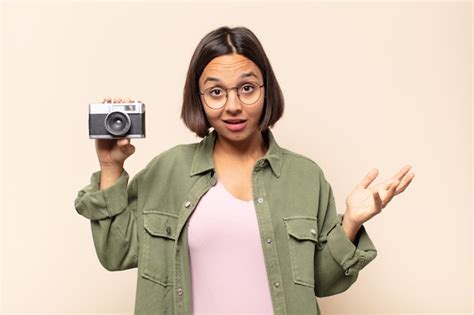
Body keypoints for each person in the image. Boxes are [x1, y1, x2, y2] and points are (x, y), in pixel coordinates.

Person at [74, 26, 415, 315]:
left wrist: (351, 222)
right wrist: (110, 166)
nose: (233, 105)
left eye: (247, 88)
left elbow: (324, 282)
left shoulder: (305, 176)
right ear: (199, 97)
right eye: (216, 92)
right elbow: (115, 254)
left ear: (267, 90)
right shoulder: (169, 169)